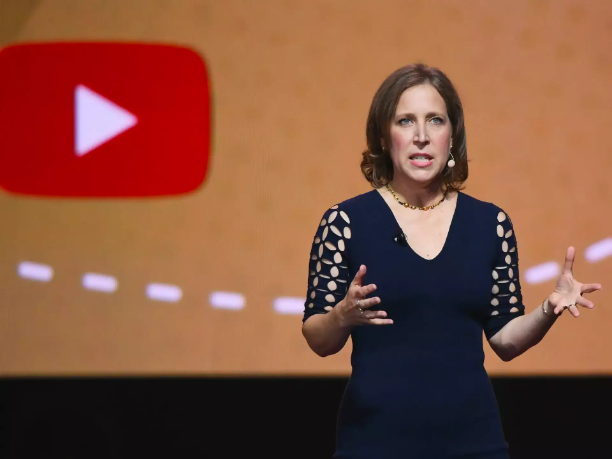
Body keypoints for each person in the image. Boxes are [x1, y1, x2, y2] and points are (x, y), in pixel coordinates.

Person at [301, 63, 602, 459]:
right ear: (384, 137)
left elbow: (505, 340)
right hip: (374, 443)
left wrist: (549, 309)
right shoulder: (345, 221)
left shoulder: (490, 223)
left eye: (435, 120)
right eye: (405, 121)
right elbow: (318, 339)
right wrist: (340, 316)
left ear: (452, 136)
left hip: (474, 443)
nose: (421, 136)